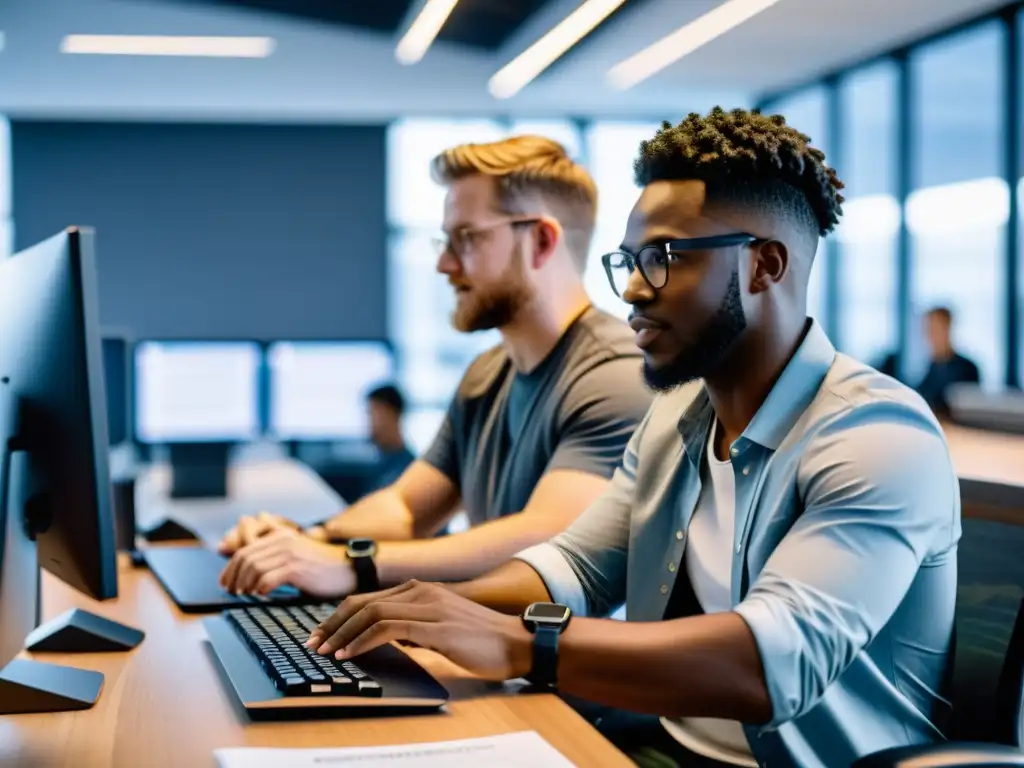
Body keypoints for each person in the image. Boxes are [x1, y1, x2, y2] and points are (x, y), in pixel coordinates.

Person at [303, 108, 961, 768]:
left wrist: (516, 641)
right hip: (664, 746)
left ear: (764, 265)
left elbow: (768, 664)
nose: (635, 292)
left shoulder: (877, 435)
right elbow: (575, 570)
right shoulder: (677, 416)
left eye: (666, 259)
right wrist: (412, 608)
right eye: (630, 261)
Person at [217, 135, 652, 599]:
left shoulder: (616, 375)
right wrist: (308, 540)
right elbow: (406, 509)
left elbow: (548, 537)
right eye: (445, 240)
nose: (445, 264)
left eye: (466, 238)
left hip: (561, 662)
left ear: (541, 240)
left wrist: (351, 565)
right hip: (488, 650)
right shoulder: (488, 374)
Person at [915, 305, 980, 418]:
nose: (930, 336)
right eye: (927, 330)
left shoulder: (967, 368)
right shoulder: (932, 367)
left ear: (948, 328)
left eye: (935, 329)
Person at [364, 383, 415, 493]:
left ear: (392, 413)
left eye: (373, 413)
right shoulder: (381, 466)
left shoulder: (406, 471)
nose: (369, 421)